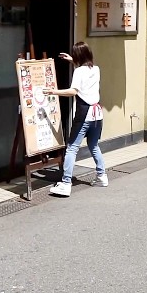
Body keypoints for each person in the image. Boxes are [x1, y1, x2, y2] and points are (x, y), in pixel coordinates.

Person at [46, 41, 106, 197]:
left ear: (78, 56)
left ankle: (66, 184)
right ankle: (102, 176)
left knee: (72, 148)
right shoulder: (96, 69)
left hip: (84, 113)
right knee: (94, 145)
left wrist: (53, 92)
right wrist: (72, 60)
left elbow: (73, 91)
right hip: (97, 115)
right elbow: (85, 70)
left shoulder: (79, 72)